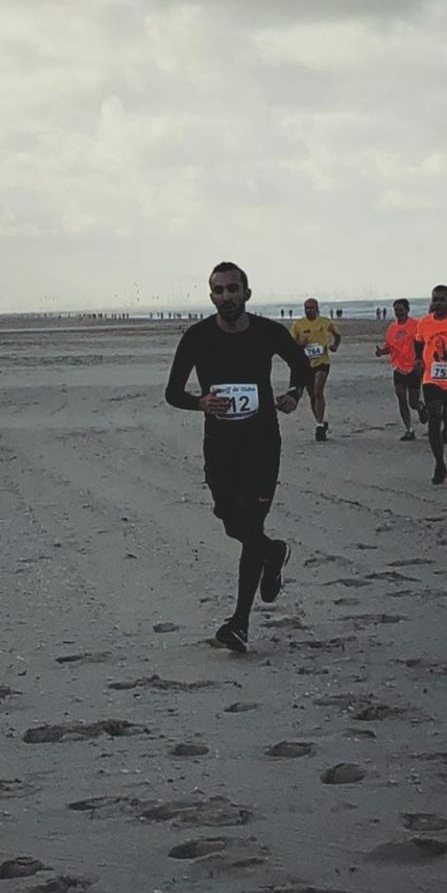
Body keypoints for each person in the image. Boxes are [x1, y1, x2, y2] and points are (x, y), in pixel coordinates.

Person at [165, 261, 310, 653]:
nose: (226, 296)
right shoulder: (197, 337)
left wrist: (294, 394)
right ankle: (273, 552)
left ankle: (239, 623)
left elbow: (301, 365)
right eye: (218, 290)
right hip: (220, 445)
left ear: (246, 292)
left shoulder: (267, 332)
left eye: (232, 289)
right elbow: (173, 393)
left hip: (262, 443)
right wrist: (200, 402)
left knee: (252, 520)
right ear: (211, 296)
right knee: (232, 522)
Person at [375, 298, 426, 440]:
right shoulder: (392, 328)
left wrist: (421, 361)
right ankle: (409, 429)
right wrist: (381, 351)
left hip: (413, 368)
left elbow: (424, 343)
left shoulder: (416, 325)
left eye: (401, 310)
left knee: (413, 402)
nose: (399, 312)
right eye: (396, 310)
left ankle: (421, 407)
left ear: (407, 310)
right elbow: (389, 347)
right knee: (401, 398)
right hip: (398, 368)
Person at [290, 299, 341, 440]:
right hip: (306, 364)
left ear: (317, 308)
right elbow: (290, 343)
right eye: (306, 308)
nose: (308, 310)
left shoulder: (325, 322)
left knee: (318, 391)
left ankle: (319, 426)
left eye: (311, 308)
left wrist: (334, 346)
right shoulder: (298, 324)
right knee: (312, 394)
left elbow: (337, 335)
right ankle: (320, 422)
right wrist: (300, 344)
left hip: (322, 362)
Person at [415, 285, 447, 484]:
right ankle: (439, 464)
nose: (438, 303)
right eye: (435, 299)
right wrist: (419, 359)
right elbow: (418, 342)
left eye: (442, 299)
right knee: (434, 416)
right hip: (431, 378)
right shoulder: (425, 323)